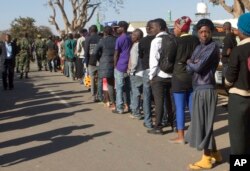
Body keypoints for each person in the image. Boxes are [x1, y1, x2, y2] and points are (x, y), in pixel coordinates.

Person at [185, 18, 222, 170]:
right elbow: (190, 69)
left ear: (211, 32)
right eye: (201, 32)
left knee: (202, 124)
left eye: (207, 31)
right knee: (204, 123)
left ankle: (206, 159)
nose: (204, 34)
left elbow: (198, 66)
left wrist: (189, 61)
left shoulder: (213, 46)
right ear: (197, 33)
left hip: (206, 88)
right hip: (198, 88)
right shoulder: (198, 47)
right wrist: (191, 63)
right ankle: (215, 153)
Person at [168, 16, 199, 144]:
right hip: (192, 76)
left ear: (180, 29)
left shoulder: (175, 42)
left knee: (180, 108)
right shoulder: (195, 40)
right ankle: (196, 135)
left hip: (179, 76)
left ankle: (181, 136)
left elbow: (170, 59)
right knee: (192, 107)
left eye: (175, 27)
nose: (174, 30)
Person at [225, 13, 250, 155]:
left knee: (238, 139)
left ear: (241, 31)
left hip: (239, 99)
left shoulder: (238, 50)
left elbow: (229, 78)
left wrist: (227, 83)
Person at [147, 18, 176, 135]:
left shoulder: (156, 41)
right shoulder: (173, 38)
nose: (151, 29)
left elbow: (153, 62)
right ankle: (174, 124)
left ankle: (158, 126)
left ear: (159, 27)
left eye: (153, 27)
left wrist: (151, 77)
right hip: (172, 75)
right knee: (171, 102)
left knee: (159, 102)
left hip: (159, 76)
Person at [93, 26, 117, 108]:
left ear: (104, 32)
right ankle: (119, 102)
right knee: (118, 84)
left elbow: (95, 52)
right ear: (112, 31)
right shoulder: (116, 39)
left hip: (105, 64)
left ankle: (112, 102)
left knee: (109, 84)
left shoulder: (102, 41)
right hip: (117, 63)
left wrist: (100, 59)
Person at [112, 21, 132, 114]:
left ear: (122, 28)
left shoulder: (119, 39)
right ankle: (130, 106)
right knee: (128, 88)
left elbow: (116, 54)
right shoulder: (130, 37)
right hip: (129, 65)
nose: (117, 29)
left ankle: (119, 107)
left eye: (118, 27)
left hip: (120, 65)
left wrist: (115, 65)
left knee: (119, 88)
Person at [139, 20, 155, 129]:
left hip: (147, 70)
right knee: (160, 97)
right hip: (159, 70)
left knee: (147, 96)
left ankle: (148, 121)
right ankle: (162, 119)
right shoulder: (159, 40)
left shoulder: (143, 41)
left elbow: (140, 55)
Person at [128, 28, 144, 119]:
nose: (131, 36)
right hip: (143, 71)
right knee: (142, 93)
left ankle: (136, 112)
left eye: (133, 35)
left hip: (136, 72)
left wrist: (131, 70)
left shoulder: (135, 46)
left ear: (137, 37)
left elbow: (134, 62)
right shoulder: (143, 44)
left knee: (135, 92)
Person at [84, 25, 101, 102]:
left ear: (90, 31)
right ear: (97, 30)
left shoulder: (88, 39)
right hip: (100, 61)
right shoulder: (101, 38)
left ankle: (94, 95)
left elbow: (86, 52)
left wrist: (86, 63)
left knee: (92, 78)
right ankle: (100, 95)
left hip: (91, 61)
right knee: (100, 79)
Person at [221, 22, 237, 103]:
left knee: (226, 83)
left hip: (227, 63)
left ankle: (231, 102)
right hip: (229, 62)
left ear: (225, 27)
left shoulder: (227, 38)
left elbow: (228, 52)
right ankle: (231, 101)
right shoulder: (233, 37)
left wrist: (221, 54)